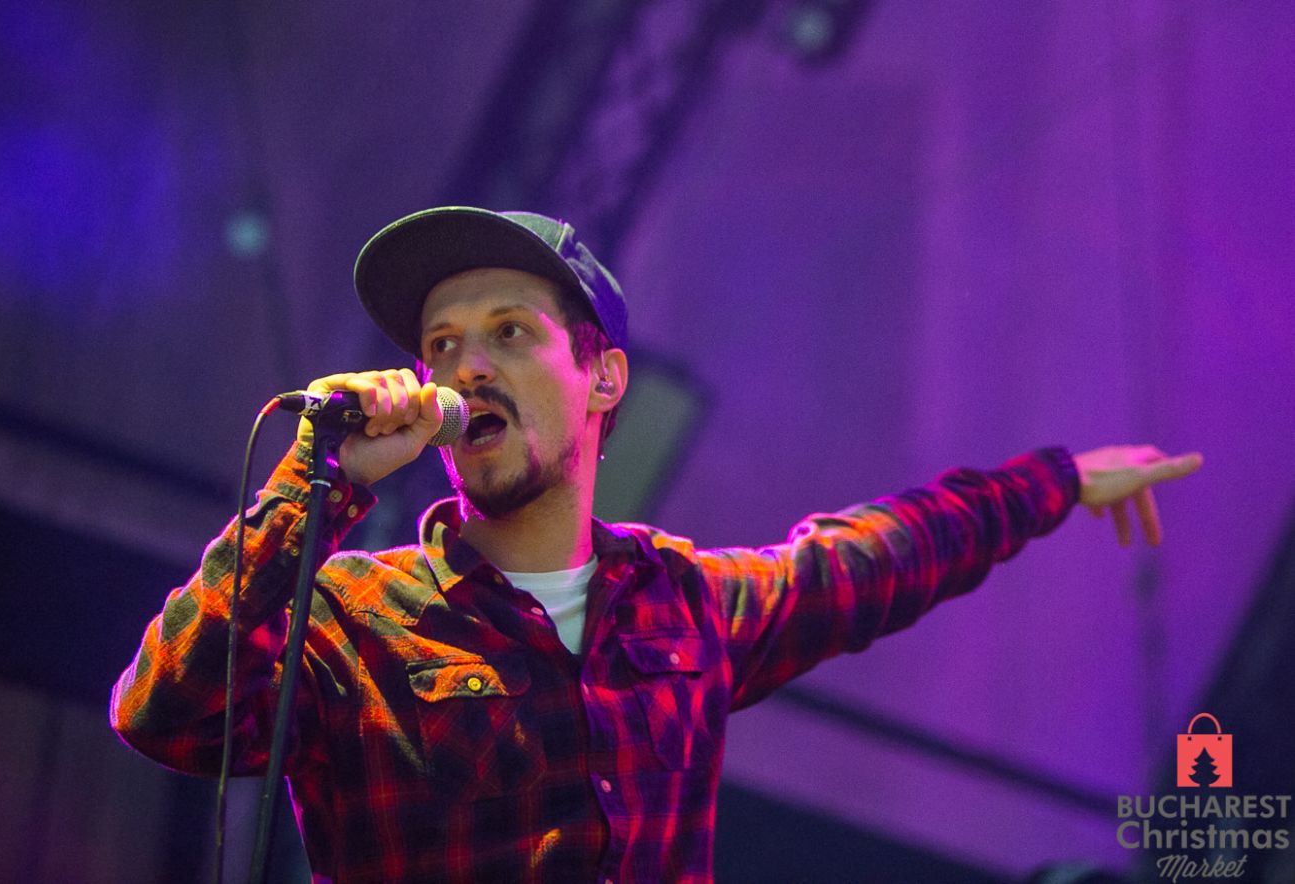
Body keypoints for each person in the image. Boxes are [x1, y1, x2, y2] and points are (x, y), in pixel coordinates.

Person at [111, 207, 1202, 883]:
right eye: (442, 344)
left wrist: (1058, 481)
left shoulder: (681, 603)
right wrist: (319, 483)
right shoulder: (354, 615)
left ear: (603, 378)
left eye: (508, 332)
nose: (464, 367)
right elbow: (163, 714)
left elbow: (879, 555)